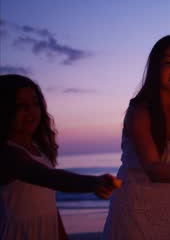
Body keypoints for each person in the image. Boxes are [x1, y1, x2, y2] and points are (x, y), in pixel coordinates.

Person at [102, 35, 170, 239]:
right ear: (156, 68)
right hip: (136, 208)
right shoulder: (139, 111)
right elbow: (153, 169)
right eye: (169, 63)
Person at [0, 74, 121, 240]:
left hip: (47, 229)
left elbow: (48, 202)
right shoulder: (7, 153)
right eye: (20, 105)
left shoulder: (38, 150)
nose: (30, 110)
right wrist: (93, 182)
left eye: (35, 103)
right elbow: (47, 177)